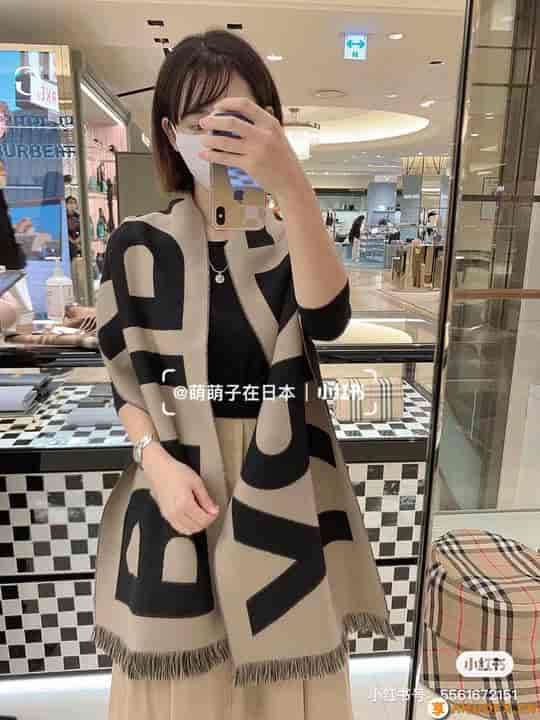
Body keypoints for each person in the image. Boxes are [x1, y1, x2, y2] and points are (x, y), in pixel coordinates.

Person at [95, 29, 391, 720]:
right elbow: (125, 379)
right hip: (178, 477)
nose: (216, 135)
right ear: (170, 133)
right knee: (186, 685)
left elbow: (327, 318)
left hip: (279, 479)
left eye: (236, 117)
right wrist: (155, 465)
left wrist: (291, 184)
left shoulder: (290, 239)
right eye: (199, 120)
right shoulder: (137, 244)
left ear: (271, 124)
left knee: (282, 680)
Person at [66, 195, 82, 260]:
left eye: (74, 203)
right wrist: (71, 240)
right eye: (70, 203)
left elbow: (82, 230)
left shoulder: (78, 216)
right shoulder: (64, 216)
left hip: (77, 243)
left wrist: (77, 240)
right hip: (67, 243)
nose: (72, 205)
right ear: (66, 205)